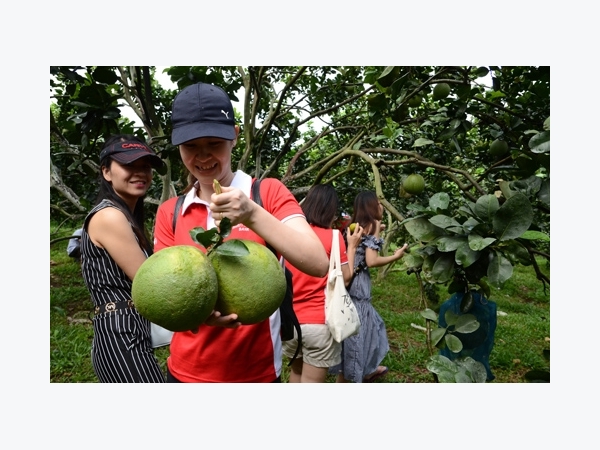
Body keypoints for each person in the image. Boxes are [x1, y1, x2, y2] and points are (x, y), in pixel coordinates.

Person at [153, 81, 329, 383]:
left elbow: (317, 262)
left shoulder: (268, 194)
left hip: (255, 374)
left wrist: (251, 213)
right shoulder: (170, 211)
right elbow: (164, 292)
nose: (203, 156)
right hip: (184, 373)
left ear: (234, 136)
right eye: (191, 146)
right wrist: (198, 315)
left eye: (214, 143)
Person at [80, 134, 166, 383]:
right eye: (130, 165)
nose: (140, 172)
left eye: (146, 166)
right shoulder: (110, 216)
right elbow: (151, 283)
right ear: (106, 172)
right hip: (121, 336)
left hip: (126, 332)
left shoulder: (124, 215)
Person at [282, 184, 364, 383]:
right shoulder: (334, 237)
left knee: (296, 374)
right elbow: (345, 277)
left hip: (290, 323)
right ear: (331, 210)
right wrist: (352, 246)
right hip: (319, 323)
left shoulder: (288, 234)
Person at [330, 191, 408, 383]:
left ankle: (361, 371)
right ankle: (360, 373)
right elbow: (371, 261)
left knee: (352, 337)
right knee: (361, 334)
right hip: (359, 289)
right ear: (372, 206)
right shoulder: (372, 224)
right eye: (379, 203)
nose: (381, 207)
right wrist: (395, 257)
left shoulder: (353, 226)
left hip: (347, 287)